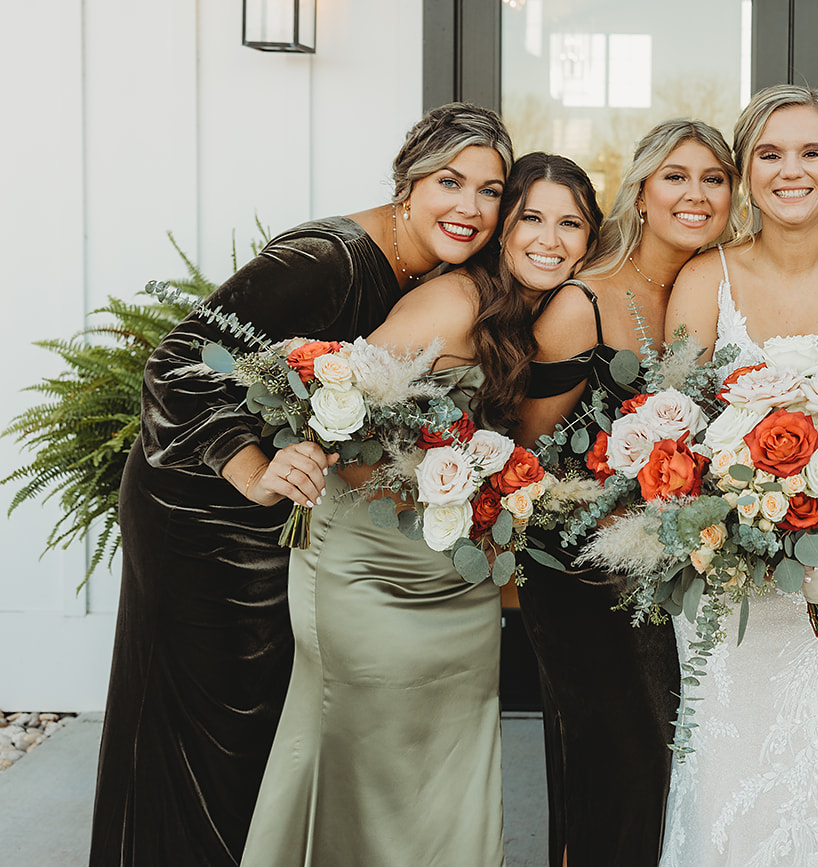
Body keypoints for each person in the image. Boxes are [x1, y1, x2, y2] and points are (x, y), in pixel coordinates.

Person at [90, 103, 514, 866]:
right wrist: (252, 469)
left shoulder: (433, 276)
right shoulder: (329, 259)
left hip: (285, 519)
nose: (471, 207)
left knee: (267, 738)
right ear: (407, 182)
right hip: (204, 516)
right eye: (451, 182)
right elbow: (178, 362)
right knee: (215, 741)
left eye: (490, 191)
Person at [241, 152, 602, 866]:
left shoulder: (542, 313)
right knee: (366, 754)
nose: (549, 239)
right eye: (531, 218)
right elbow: (339, 417)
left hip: (457, 577)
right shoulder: (454, 301)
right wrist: (431, 476)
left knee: (447, 765)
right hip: (370, 567)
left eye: (571, 224)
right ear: (502, 229)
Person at [659, 85, 818, 866]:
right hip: (730, 587)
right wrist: (743, 509)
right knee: (725, 781)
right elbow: (676, 432)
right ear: (745, 169)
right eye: (770, 154)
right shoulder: (706, 277)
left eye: (811, 152)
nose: (791, 170)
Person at [512, 120, 736, 866]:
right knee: (619, 771)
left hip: (674, 573)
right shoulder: (583, 304)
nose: (695, 194)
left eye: (713, 178)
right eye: (676, 176)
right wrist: (619, 498)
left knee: (674, 772)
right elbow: (524, 459)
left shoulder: (717, 290)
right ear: (641, 192)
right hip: (582, 579)